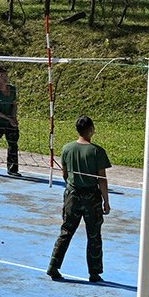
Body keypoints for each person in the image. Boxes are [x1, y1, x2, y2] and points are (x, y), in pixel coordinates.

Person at [48, 116, 112, 283]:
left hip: (72, 196)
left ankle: (53, 266)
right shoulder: (97, 151)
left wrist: (72, 188)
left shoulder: (67, 148)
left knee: (66, 232)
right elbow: (102, 179)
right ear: (90, 130)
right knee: (94, 235)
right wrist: (106, 201)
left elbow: (65, 174)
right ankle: (94, 273)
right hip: (91, 198)